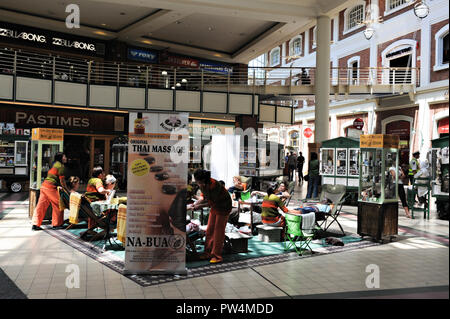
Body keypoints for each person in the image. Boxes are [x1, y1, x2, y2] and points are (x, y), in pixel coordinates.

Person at [192, 169, 232, 264]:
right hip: (215, 206)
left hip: (224, 206)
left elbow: (211, 202)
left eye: (197, 181)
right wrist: (196, 203)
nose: (196, 182)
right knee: (210, 229)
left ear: (202, 180)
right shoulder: (202, 184)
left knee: (218, 231)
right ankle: (208, 252)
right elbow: (203, 196)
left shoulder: (214, 185)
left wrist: (198, 206)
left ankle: (216, 255)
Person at [31, 152, 68, 230]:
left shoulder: (54, 164)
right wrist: (66, 189)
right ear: (60, 158)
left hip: (44, 186)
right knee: (58, 204)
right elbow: (62, 180)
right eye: (64, 156)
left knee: (41, 206)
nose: (66, 158)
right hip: (51, 187)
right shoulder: (61, 166)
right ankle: (57, 224)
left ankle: (35, 224)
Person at [85, 166, 111, 231]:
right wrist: (108, 191)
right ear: (100, 175)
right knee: (111, 210)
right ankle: (108, 227)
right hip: (95, 205)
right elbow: (101, 190)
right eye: (103, 173)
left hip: (89, 204)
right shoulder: (98, 180)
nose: (104, 175)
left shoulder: (91, 180)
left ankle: (91, 229)